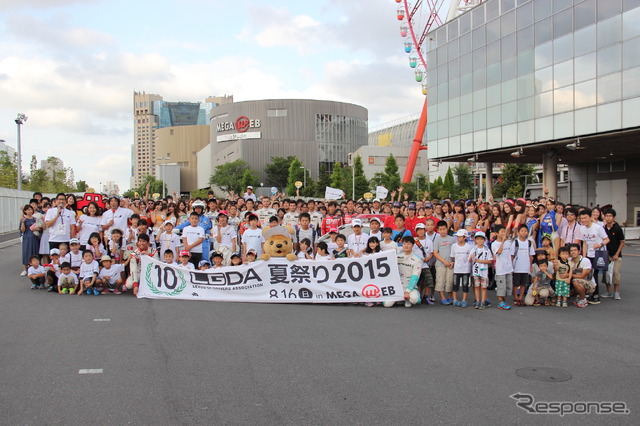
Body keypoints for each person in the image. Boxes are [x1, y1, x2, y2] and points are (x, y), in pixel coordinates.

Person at [575, 208, 609, 305]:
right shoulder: (582, 228)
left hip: (598, 254)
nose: (583, 220)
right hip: (589, 255)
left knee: (594, 274)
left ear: (590, 217)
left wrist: (600, 245)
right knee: (588, 275)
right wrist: (584, 256)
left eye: (585, 218)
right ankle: (590, 292)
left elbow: (607, 239)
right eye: (581, 218)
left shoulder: (597, 227)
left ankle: (595, 295)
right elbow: (584, 243)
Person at [384, 236, 421, 308]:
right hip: (397, 285)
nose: (406, 246)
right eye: (404, 244)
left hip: (409, 285)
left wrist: (408, 291)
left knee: (415, 299)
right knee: (386, 304)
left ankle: (406, 298)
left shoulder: (418, 259)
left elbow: (415, 277)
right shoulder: (396, 256)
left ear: (413, 245)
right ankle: (400, 298)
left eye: (409, 244)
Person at [603, 208, 624, 300]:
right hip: (605, 255)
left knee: (615, 273)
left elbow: (622, 242)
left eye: (610, 216)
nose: (608, 218)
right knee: (606, 273)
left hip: (616, 256)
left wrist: (617, 254)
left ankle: (616, 292)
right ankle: (609, 291)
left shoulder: (617, 228)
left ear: (613, 217)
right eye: (606, 216)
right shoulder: (603, 229)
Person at [433, 220, 455, 304]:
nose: (442, 231)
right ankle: (442, 297)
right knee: (440, 280)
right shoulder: (437, 240)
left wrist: (452, 262)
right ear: (438, 230)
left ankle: (450, 296)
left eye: (444, 229)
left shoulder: (452, 239)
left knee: (450, 280)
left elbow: (454, 251)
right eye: (440, 229)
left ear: (447, 228)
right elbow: (435, 253)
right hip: (440, 264)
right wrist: (444, 261)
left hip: (450, 264)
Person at [491, 225, 513, 310]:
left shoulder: (509, 242)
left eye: (504, 231)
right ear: (496, 233)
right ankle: (500, 302)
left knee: (508, 287)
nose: (504, 233)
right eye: (502, 232)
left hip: (508, 268)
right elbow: (498, 252)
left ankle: (504, 301)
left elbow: (511, 254)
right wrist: (503, 242)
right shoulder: (494, 244)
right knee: (501, 287)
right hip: (500, 269)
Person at [469, 231, 493, 310]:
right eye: (478, 239)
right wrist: (471, 258)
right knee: (476, 286)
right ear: (475, 240)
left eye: (481, 239)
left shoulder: (487, 250)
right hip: (476, 270)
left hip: (484, 271)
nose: (479, 241)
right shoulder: (473, 249)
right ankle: (477, 300)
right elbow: (469, 260)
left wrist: (480, 261)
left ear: (484, 240)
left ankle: (483, 301)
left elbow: (490, 261)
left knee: (483, 287)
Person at [512, 224, 534, 306]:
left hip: (525, 266)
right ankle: (515, 297)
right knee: (516, 283)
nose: (524, 233)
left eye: (525, 231)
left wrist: (530, 266)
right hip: (517, 266)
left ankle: (521, 298)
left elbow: (531, 256)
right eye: (522, 231)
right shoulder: (515, 242)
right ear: (518, 232)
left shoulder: (529, 243)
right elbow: (512, 255)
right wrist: (511, 265)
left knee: (523, 284)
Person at [413, 223, 435, 304]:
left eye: (422, 230)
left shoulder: (429, 241)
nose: (420, 232)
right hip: (416, 265)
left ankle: (426, 297)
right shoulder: (414, 241)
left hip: (426, 264)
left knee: (429, 281)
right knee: (417, 282)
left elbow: (432, 252)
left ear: (424, 230)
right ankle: (418, 296)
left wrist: (428, 258)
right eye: (418, 230)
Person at [450, 229, 472, 307]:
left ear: (464, 237)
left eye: (460, 237)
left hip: (466, 269)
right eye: (457, 237)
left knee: (465, 285)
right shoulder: (454, 246)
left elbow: (471, 257)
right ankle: (455, 299)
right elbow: (452, 257)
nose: (458, 238)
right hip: (457, 269)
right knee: (455, 285)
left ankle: (464, 300)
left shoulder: (469, 247)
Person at [568, 243, 595, 308]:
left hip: (589, 284)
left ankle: (583, 299)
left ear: (579, 251)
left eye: (575, 250)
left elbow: (582, 276)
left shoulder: (585, 261)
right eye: (571, 250)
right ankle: (578, 296)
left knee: (575, 281)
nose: (573, 252)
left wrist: (569, 275)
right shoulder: (568, 260)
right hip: (574, 282)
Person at [20, 204, 41, 276]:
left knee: (34, 251)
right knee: (26, 252)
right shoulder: (24, 219)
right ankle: (25, 269)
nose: (30, 211)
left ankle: (35, 268)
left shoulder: (35, 219)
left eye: (31, 209)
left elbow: (39, 227)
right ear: (25, 211)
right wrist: (22, 222)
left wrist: (37, 228)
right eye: (28, 210)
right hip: (27, 237)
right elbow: (22, 230)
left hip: (34, 237)